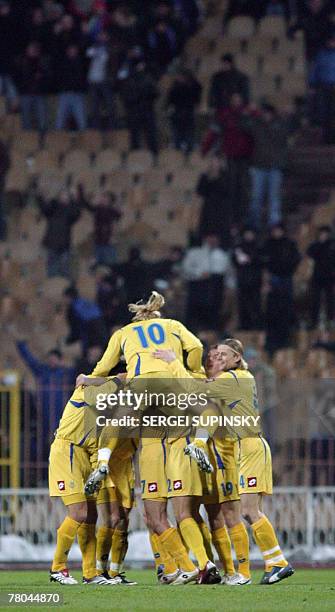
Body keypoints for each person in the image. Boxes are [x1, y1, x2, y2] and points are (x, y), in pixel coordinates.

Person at [155, 339, 294, 585]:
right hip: (247, 447)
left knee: (249, 510)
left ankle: (278, 562)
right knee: (249, 511)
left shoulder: (232, 379)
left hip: (250, 446)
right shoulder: (240, 378)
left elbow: (194, 391)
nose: (218, 359)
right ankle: (274, 562)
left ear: (237, 358)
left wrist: (173, 362)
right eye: (216, 355)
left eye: (223, 356)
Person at [241, 104, 296, 229]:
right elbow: (243, 126)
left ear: (272, 113)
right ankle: (254, 222)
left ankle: (274, 223)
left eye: (268, 113)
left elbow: (292, 128)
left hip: (274, 167)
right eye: (263, 113)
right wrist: (246, 113)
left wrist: (291, 115)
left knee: (274, 197)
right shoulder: (256, 124)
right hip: (259, 166)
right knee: (256, 197)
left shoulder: (281, 124)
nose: (266, 115)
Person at [202, 93, 253, 226]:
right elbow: (213, 134)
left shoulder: (249, 115)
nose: (236, 102)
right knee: (231, 186)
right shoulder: (224, 116)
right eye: (234, 100)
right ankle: (231, 217)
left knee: (243, 187)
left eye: (238, 100)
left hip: (246, 157)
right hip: (230, 156)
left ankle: (242, 217)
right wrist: (205, 149)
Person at [262, 223, 301, 354]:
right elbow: (264, 261)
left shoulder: (290, 244)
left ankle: (284, 340)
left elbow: (296, 259)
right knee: (272, 310)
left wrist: (288, 269)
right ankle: (272, 342)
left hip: (285, 279)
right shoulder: (268, 244)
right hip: (274, 279)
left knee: (285, 310)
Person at [182, 234, 231, 330]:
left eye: (215, 238)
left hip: (215, 287)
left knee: (213, 315)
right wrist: (200, 273)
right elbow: (186, 268)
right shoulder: (194, 253)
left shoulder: (222, 254)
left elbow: (228, 272)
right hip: (198, 286)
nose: (213, 240)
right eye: (210, 237)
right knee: (194, 316)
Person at [37, 189, 81, 277]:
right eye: (62, 195)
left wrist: (75, 201)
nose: (64, 197)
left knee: (65, 269)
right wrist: (42, 198)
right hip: (52, 242)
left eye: (66, 196)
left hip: (64, 243)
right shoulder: (52, 208)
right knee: (51, 268)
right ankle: (52, 287)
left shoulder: (71, 210)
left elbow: (76, 214)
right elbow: (44, 209)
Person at [119, 60, 158, 154]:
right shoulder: (129, 80)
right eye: (139, 66)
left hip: (147, 110)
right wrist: (136, 97)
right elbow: (125, 96)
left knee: (151, 134)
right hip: (134, 111)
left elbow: (155, 93)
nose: (141, 67)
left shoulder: (148, 78)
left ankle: (154, 154)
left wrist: (146, 96)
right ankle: (135, 154)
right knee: (134, 135)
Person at [232, 227, 263, 330]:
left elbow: (261, 261)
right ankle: (244, 325)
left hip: (255, 281)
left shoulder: (258, 247)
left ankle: (256, 325)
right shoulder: (239, 247)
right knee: (243, 304)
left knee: (255, 304)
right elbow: (235, 260)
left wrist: (251, 260)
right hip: (243, 280)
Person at [197, 158, 232, 247]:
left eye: (217, 161)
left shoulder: (226, 176)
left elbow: (227, 191)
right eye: (213, 160)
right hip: (208, 209)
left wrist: (217, 178)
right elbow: (200, 191)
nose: (215, 163)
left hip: (221, 209)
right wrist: (208, 178)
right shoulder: (205, 176)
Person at [14, 42, 49, 132]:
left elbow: (46, 76)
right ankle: (28, 139)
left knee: (42, 118)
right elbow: (19, 77)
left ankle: (43, 138)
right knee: (26, 119)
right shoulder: (22, 61)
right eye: (31, 49)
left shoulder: (41, 61)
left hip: (39, 93)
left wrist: (41, 77)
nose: (33, 51)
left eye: (35, 49)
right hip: (26, 93)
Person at [166, 69, 202, 152]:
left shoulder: (193, 86)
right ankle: (178, 153)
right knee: (177, 137)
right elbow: (170, 100)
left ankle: (189, 152)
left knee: (189, 136)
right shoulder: (175, 87)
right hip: (177, 114)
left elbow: (197, 97)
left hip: (188, 113)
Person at [307, 225, 335, 327]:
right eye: (321, 234)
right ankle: (314, 320)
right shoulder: (315, 245)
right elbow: (309, 255)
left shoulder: (332, 245)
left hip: (330, 276)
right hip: (317, 276)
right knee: (315, 299)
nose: (322, 235)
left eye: (324, 234)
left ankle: (330, 319)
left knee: (330, 299)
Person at [86, 30, 115, 130]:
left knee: (110, 105)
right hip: (93, 80)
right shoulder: (93, 47)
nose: (101, 37)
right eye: (100, 35)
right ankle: (95, 129)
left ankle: (112, 127)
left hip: (104, 81)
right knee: (94, 107)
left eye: (104, 35)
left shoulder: (110, 48)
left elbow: (112, 63)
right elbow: (88, 54)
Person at [309, 34, 335, 144]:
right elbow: (315, 70)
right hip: (324, 87)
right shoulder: (321, 55)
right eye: (331, 41)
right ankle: (326, 138)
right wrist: (312, 85)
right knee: (324, 113)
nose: (332, 43)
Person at [55, 44, 87, 131]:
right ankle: (56, 141)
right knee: (60, 120)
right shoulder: (63, 62)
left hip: (77, 94)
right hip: (65, 94)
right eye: (71, 50)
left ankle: (86, 141)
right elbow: (59, 77)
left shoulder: (80, 62)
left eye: (74, 50)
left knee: (82, 121)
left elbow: (82, 77)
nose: (73, 52)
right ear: (67, 51)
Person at [85, 191, 121, 266]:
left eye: (105, 198)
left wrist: (113, 236)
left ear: (109, 201)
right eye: (102, 198)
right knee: (96, 265)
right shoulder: (97, 209)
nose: (102, 199)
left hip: (109, 243)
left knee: (110, 265)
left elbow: (117, 221)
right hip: (98, 242)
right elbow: (89, 207)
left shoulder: (112, 211)